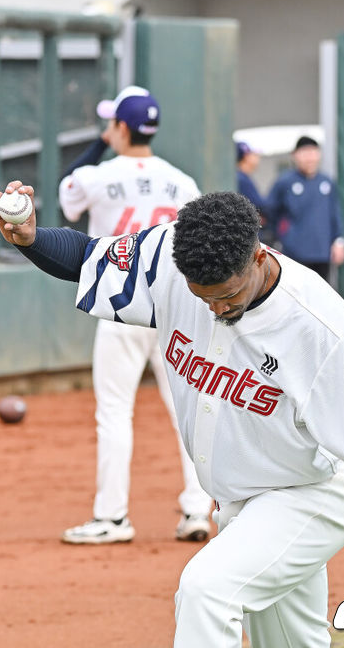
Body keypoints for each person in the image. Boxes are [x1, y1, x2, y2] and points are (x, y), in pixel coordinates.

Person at [0, 186, 344, 647]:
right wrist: (31, 238)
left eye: (227, 296)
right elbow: (87, 256)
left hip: (310, 495)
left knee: (206, 592)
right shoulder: (168, 256)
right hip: (242, 503)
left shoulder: (318, 325)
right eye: (203, 297)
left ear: (257, 257)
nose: (215, 308)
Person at [56, 85, 211, 544]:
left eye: (112, 123)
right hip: (172, 308)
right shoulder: (182, 182)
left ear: (120, 128)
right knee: (188, 413)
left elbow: (67, 191)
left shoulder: (98, 175)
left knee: (115, 413)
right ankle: (199, 510)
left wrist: (101, 142)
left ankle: (112, 517)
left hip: (120, 307)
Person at [265, 136, 344, 281]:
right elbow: (269, 211)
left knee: (321, 295)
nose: (310, 157)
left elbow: (334, 214)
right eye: (305, 152)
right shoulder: (285, 182)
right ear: (295, 155)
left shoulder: (326, 182)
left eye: (313, 152)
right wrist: (281, 236)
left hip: (322, 253)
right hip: (294, 253)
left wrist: (338, 241)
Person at [235, 141, 273, 245]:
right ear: (246, 156)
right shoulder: (241, 179)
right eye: (254, 154)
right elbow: (260, 206)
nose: (258, 157)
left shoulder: (243, 177)